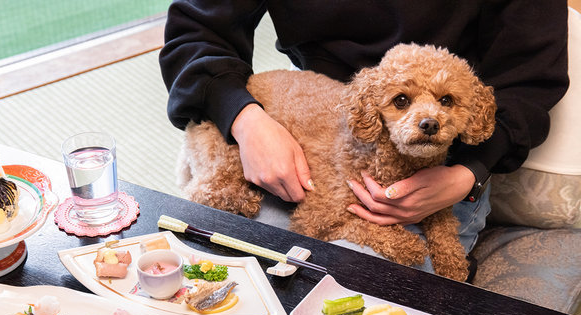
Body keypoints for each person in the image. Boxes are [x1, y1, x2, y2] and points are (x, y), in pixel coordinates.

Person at [159, 1, 569, 274]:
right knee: (205, 265)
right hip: (303, 136)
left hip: (445, 168)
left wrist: (468, 174)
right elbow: (195, 30)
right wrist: (247, 122)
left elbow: (531, 78)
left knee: (350, 292)